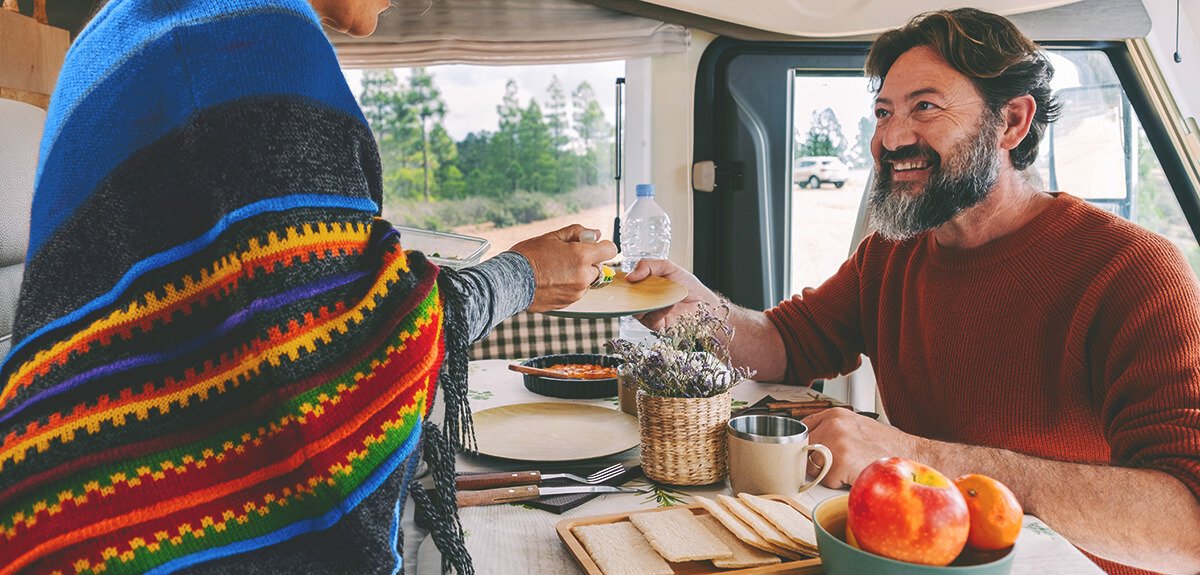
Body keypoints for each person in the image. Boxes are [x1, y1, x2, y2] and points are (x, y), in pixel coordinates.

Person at [0, 0, 615, 573]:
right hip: (169, 532)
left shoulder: (113, 37)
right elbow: (344, 348)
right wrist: (522, 276)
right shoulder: (257, 43)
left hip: (63, 512)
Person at [629, 9, 1200, 575]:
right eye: (883, 112)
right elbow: (787, 344)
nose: (891, 139)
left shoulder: (1131, 270)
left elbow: (1187, 525)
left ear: (1011, 122)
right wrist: (693, 307)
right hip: (916, 557)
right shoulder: (891, 254)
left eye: (925, 107)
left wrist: (915, 457)